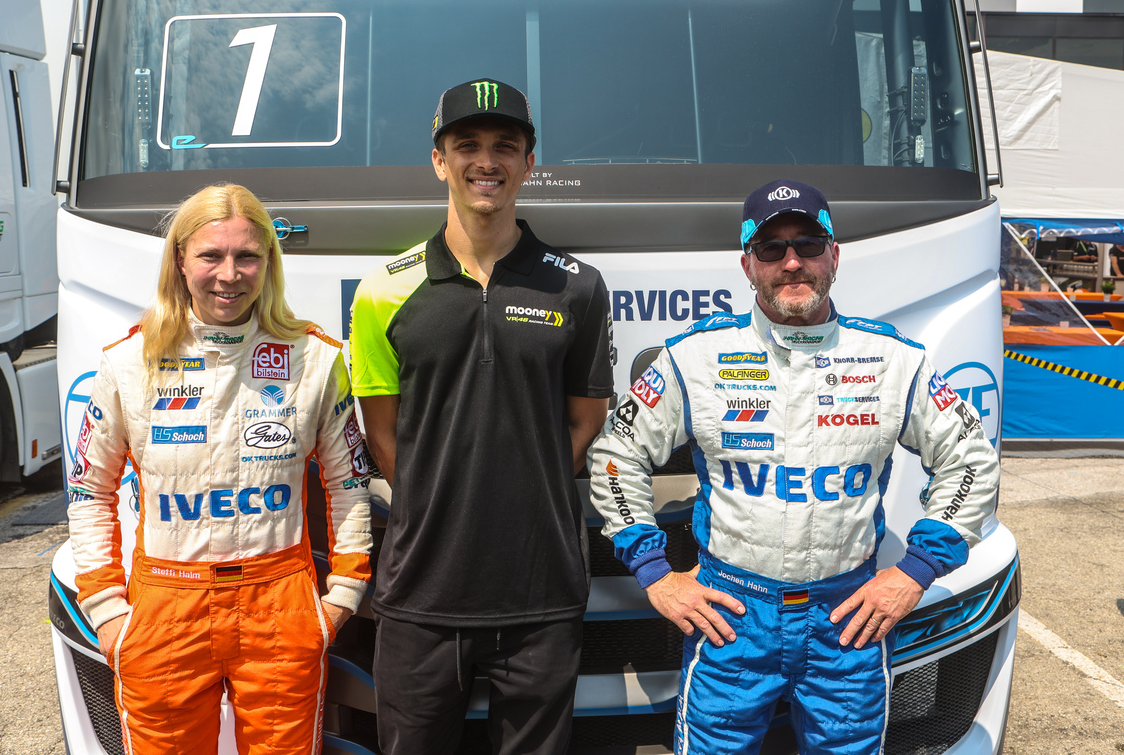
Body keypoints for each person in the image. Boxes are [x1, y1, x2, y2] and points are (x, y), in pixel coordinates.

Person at [587, 179, 1000, 754]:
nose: (791, 262)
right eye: (770, 248)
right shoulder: (695, 357)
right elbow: (616, 453)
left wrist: (916, 571)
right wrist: (655, 572)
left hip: (848, 619)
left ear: (834, 255)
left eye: (808, 244)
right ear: (747, 265)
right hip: (731, 616)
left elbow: (970, 458)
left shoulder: (893, 360)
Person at [348, 78, 613, 755]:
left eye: (505, 146)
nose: (485, 161)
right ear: (440, 161)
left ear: (529, 163)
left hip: (542, 593)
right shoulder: (382, 290)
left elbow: (584, 422)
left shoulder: (577, 285)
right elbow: (383, 433)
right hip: (421, 594)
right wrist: (440, 501)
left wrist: (523, 493)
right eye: (466, 145)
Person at [66, 184, 373, 755]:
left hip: (280, 605)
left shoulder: (315, 359)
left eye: (247, 256)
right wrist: (106, 611)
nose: (229, 275)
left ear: (269, 262)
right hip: (165, 608)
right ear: (180, 261)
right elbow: (89, 492)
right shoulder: (129, 362)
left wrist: (343, 597)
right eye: (211, 255)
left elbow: (350, 485)